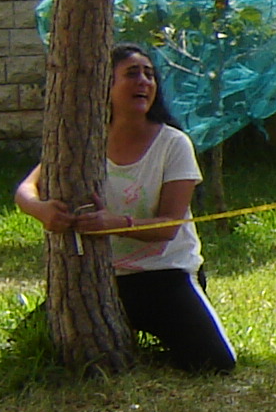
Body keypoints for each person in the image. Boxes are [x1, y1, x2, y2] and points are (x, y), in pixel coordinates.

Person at [15, 44, 237, 373]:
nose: (144, 82)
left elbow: (167, 228)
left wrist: (112, 223)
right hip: (102, 278)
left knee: (215, 363)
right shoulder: (82, 142)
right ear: (105, 86)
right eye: (132, 74)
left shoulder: (174, 144)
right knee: (28, 342)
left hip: (165, 275)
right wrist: (41, 209)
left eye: (149, 75)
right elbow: (25, 189)